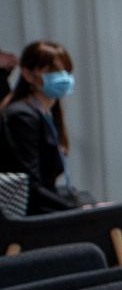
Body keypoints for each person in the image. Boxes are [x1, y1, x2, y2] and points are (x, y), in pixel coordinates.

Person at [0, 41, 82, 213]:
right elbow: (30, 185)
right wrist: (77, 210)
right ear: (28, 75)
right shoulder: (22, 116)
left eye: (65, 71)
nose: (63, 77)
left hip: (45, 206)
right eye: (53, 71)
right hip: (35, 215)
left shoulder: (44, 114)